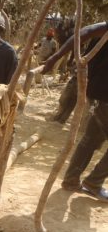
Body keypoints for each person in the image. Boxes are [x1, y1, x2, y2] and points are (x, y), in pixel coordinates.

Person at [42, 21, 108, 202]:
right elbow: (84, 32)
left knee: (92, 138)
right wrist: (55, 57)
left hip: (97, 93)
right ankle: (94, 182)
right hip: (102, 94)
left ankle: (71, 180)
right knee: (90, 139)